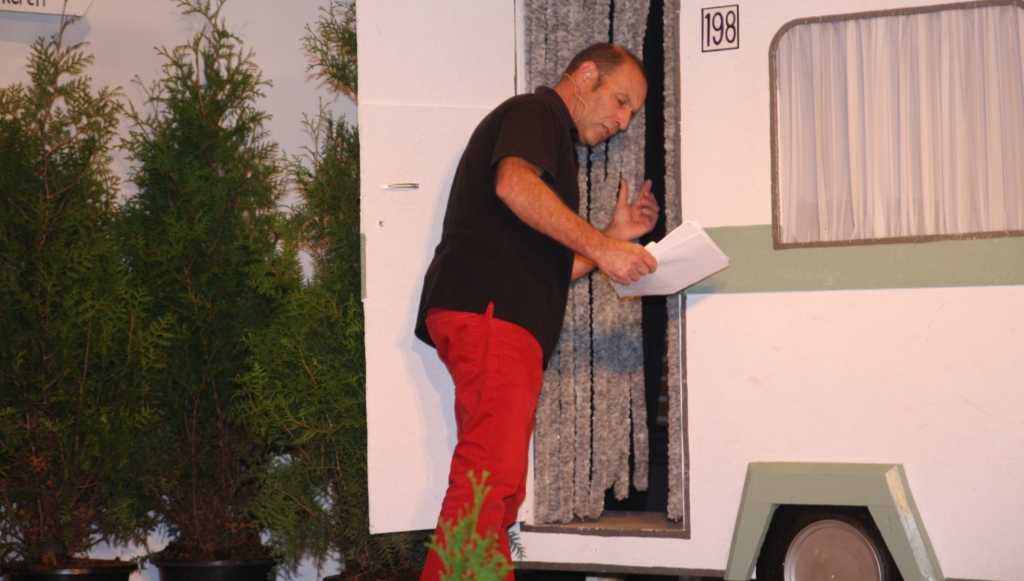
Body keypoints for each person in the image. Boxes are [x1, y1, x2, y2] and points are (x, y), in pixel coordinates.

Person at [415, 42, 660, 581]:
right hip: (493, 316)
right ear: (586, 75)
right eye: (621, 101)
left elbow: (548, 267)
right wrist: (604, 247)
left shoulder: (551, 139)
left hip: (500, 318)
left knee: (499, 487)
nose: (623, 121)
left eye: (632, 113)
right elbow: (513, 183)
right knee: (488, 480)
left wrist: (613, 237)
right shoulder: (537, 112)